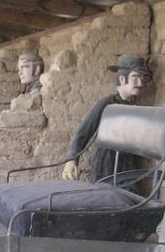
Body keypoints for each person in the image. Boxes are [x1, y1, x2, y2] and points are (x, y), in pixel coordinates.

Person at [61, 53, 153, 183]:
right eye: (135, 77)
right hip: (105, 166)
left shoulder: (137, 107)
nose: (140, 83)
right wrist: (71, 159)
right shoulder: (106, 104)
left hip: (128, 166)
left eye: (142, 78)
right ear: (122, 79)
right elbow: (83, 133)